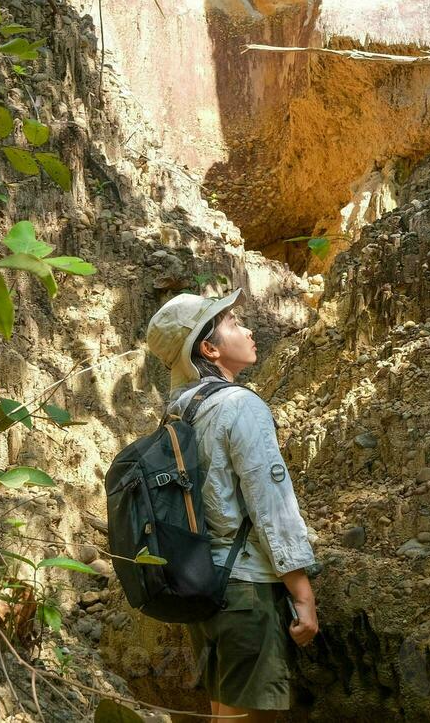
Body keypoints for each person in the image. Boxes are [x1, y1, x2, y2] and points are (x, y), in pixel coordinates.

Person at [145, 289, 319, 722]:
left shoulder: (178, 414)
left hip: (203, 586)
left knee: (226, 716)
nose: (249, 330)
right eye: (234, 323)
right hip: (246, 591)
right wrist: (302, 590)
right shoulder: (241, 406)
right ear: (209, 348)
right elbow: (269, 502)